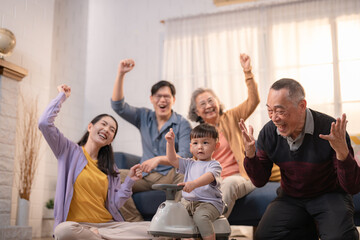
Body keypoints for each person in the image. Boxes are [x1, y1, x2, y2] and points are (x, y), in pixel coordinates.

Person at [239, 78, 360, 239]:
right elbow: (259, 181)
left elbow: (352, 187)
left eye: (280, 111)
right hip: (291, 197)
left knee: (339, 237)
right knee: (265, 236)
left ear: (302, 106)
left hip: (330, 194)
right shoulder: (269, 133)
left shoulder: (330, 129)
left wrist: (343, 154)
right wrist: (250, 154)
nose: (274, 118)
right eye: (270, 111)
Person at [39, 84, 154, 240]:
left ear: (110, 140)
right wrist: (61, 97)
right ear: (90, 127)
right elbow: (44, 123)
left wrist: (130, 181)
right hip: (77, 227)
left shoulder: (109, 167)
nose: (107, 130)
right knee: (62, 231)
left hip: (107, 226)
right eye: (104, 124)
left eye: (112, 130)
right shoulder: (68, 151)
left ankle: (99, 236)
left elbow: (114, 204)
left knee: (152, 228)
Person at [188, 53, 281, 219]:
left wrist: (248, 72)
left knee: (228, 184)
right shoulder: (198, 135)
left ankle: (212, 230)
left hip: (241, 176)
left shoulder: (232, 117)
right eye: (203, 104)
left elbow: (253, 100)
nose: (209, 106)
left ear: (218, 102)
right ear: (196, 112)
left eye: (211, 100)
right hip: (214, 179)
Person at [111, 59, 192, 221]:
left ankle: (174, 227)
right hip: (145, 175)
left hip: (171, 174)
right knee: (112, 177)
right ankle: (136, 224)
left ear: (173, 100)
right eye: (158, 96)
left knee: (187, 173)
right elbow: (118, 106)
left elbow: (185, 157)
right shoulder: (143, 116)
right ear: (151, 99)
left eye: (167, 96)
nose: (162, 100)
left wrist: (160, 159)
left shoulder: (182, 124)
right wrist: (121, 74)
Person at [165, 123, 224, 240]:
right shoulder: (188, 163)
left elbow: (209, 176)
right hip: (188, 203)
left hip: (209, 203)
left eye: (205, 143)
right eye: (196, 143)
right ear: (191, 147)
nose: (200, 147)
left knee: (201, 217)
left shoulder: (214, 165)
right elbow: (172, 159)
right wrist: (170, 143)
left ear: (216, 146)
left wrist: (193, 184)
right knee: (173, 215)